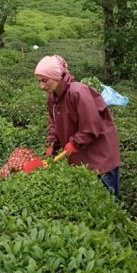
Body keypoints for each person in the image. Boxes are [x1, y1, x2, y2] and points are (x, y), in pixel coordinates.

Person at [26, 55, 121, 199]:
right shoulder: (52, 98)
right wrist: (52, 142)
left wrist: (75, 142)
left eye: (45, 80)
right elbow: (54, 123)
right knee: (88, 201)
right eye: (39, 81)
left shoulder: (78, 92)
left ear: (57, 77)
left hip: (100, 155)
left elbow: (92, 126)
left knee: (108, 201)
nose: (41, 86)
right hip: (80, 156)